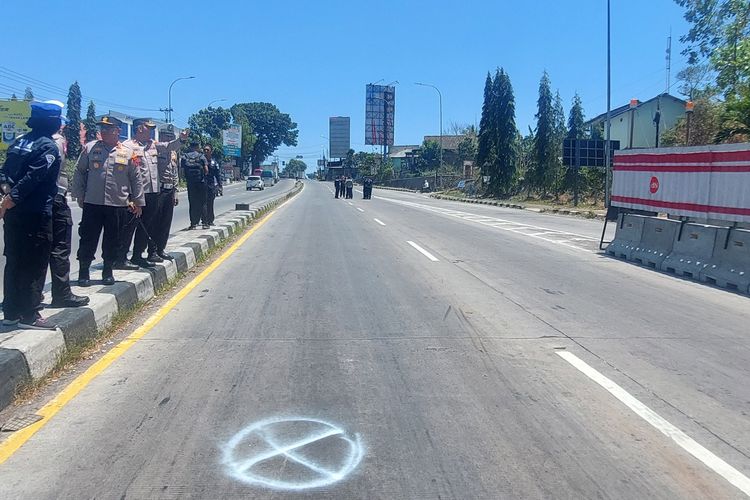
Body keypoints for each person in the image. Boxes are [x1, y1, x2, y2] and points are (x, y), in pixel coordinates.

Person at [0, 102, 64, 329]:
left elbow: (4, 173)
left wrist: (6, 200)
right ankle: (30, 314)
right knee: (35, 262)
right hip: (35, 212)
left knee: (15, 260)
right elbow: (33, 178)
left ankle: (10, 311)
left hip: (14, 214)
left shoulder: (19, 142)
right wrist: (12, 199)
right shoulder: (47, 146)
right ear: (52, 122)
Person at [71, 115, 144, 287]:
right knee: (88, 238)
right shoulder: (90, 148)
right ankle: (83, 271)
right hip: (93, 203)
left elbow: (136, 178)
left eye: (107, 129)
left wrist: (138, 201)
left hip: (117, 204)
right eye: (101, 129)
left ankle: (107, 271)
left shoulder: (128, 153)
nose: (103, 132)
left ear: (117, 131)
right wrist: (79, 194)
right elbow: (79, 171)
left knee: (113, 240)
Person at [122, 119, 186, 266]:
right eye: (148, 128)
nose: (151, 131)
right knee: (129, 227)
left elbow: (169, 146)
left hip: (152, 193)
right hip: (135, 194)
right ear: (139, 129)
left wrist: (181, 139)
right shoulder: (127, 146)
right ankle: (121, 257)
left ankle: (138, 255)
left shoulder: (153, 145)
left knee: (148, 226)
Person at [49, 103, 89, 308]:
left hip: (36, 202)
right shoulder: (55, 143)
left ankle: (23, 298)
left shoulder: (23, 142)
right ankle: (61, 294)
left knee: (31, 252)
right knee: (59, 249)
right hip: (54, 200)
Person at [153, 125, 180, 260]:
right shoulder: (156, 149)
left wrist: (176, 192)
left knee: (166, 222)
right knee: (155, 221)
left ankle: (161, 249)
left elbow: (175, 173)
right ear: (161, 137)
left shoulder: (173, 154)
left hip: (170, 189)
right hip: (159, 190)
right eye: (167, 137)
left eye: (171, 137)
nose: (169, 140)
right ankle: (152, 250)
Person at [181, 141, 207, 230]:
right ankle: (205, 223)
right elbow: (206, 169)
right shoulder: (201, 156)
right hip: (201, 182)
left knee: (192, 203)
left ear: (190, 147)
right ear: (197, 147)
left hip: (190, 183)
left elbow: (182, 171)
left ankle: (193, 224)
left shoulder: (185, 157)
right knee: (203, 202)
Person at [201, 144, 222, 229]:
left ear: (211, 151)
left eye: (207, 150)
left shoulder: (214, 162)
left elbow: (218, 175)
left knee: (210, 203)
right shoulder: (200, 161)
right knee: (203, 203)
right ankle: (204, 221)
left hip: (211, 185)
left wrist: (220, 185)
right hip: (202, 184)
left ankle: (210, 220)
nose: (206, 151)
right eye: (204, 150)